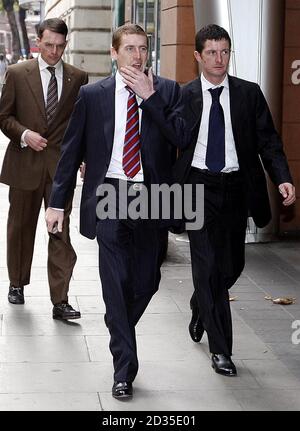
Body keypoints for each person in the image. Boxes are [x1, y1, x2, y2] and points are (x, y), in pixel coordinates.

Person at [45, 23, 188, 399]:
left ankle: (117, 321)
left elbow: (182, 138)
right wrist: (57, 201)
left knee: (146, 282)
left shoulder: (168, 90)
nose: (138, 56)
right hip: (109, 193)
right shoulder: (93, 94)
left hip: (152, 197)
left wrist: (150, 97)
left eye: (143, 48)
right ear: (114, 53)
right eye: (129, 49)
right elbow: (71, 149)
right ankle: (123, 368)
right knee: (114, 279)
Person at [173, 24, 296, 376]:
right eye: (211, 52)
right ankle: (222, 349)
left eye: (224, 51)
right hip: (196, 187)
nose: (219, 59)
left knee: (232, 265)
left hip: (236, 188)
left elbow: (268, 142)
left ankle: (201, 303)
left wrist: (283, 177)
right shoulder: (184, 96)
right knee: (208, 265)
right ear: (198, 55)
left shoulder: (248, 94)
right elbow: (167, 143)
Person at [0, 18, 88, 319]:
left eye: (60, 46)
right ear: (39, 41)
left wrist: (85, 157)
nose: (54, 52)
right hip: (24, 164)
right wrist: (24, 134)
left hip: (60, 169)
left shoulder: (78, 77)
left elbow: (81, 125)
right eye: (49, 45)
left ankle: (60, 300)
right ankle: (17, 282)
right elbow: (4, 117)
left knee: (59, 233)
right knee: (20, 229)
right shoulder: (16, 73)